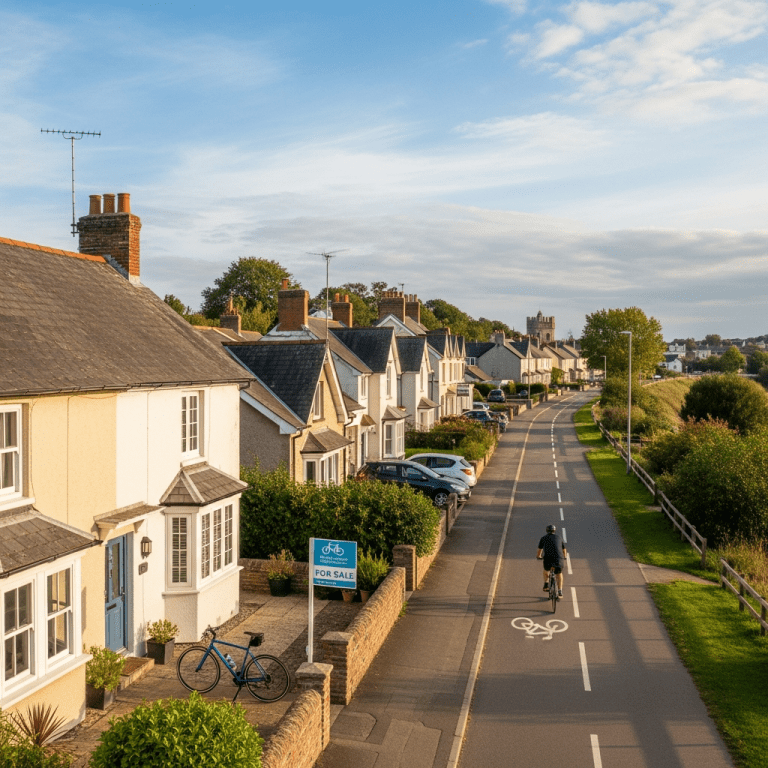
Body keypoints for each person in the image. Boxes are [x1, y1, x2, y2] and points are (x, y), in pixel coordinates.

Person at [537, 524, 567, 599]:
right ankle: (560, 591)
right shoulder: (559, 537)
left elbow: (539, 550)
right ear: (554, 530)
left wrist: (539, 556)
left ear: (547, 531)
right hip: (559, 559)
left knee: (546, 570)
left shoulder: (543, 538)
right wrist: (565, 557)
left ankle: (546, 584)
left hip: (548, 559)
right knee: (559, 574)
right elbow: (564, 549)